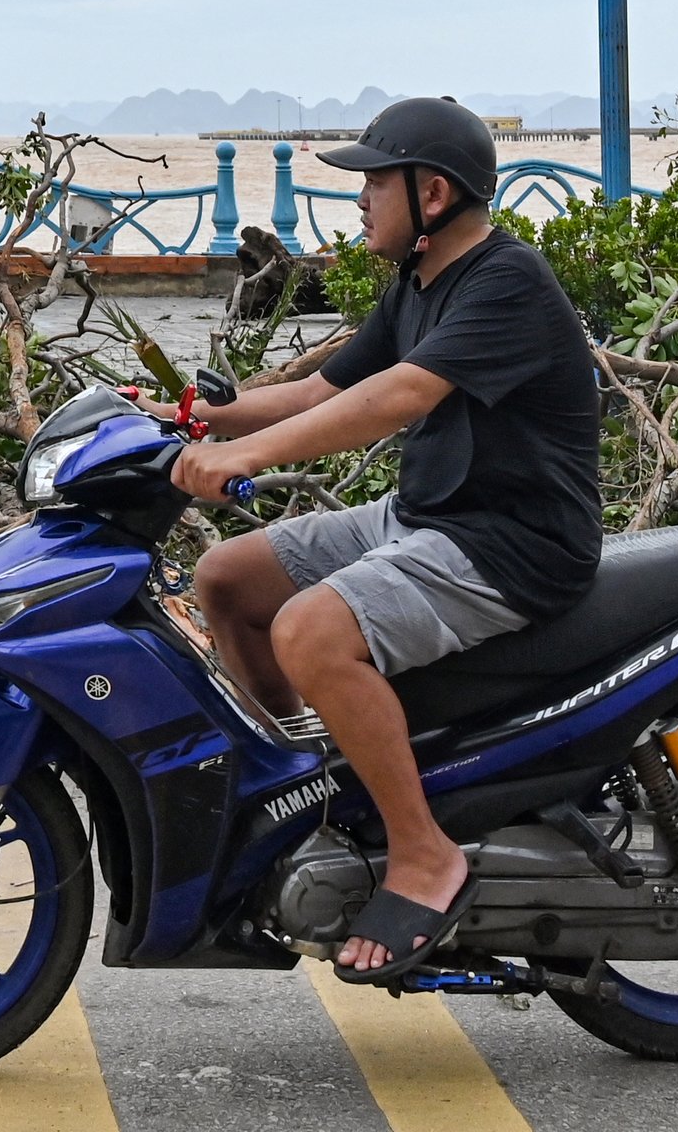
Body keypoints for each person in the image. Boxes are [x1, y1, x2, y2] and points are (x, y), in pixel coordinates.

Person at [157, 96, 602, 985]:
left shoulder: (505, 282)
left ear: (430, 194)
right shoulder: (419, 281)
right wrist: (195, 420)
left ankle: (423, 853)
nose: (359, 197)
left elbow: (394, 400)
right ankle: (312, 792)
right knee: (229, 577)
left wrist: (247, 455)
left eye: (373, 180)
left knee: (309, 630)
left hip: (508, 542)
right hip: (434, 515)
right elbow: (323, 390)